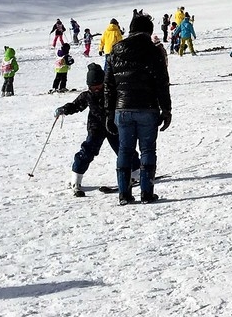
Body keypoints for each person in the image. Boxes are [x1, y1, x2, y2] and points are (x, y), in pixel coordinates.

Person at [104, 11, 172, 205]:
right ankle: (146, 193)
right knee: (148, 150)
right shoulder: (154, 51)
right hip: (147, 108)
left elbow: (108, 86)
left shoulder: (115, 50)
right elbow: (162, 83)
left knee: (125, 150)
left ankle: (124, 194)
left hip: (122, 109)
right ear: (148, 31)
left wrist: (109, 113)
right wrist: (166, 110)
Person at [56, 63, 116, 197]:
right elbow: (76, 105)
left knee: (124, 149)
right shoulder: (87, 96)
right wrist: (64, 109)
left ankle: (136, 172)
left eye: (98, 86)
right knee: (87, 151)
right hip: (95, 128)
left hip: (113, 127)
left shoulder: (111, 92)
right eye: (92, 87)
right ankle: (76, 179)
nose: (96, 89)